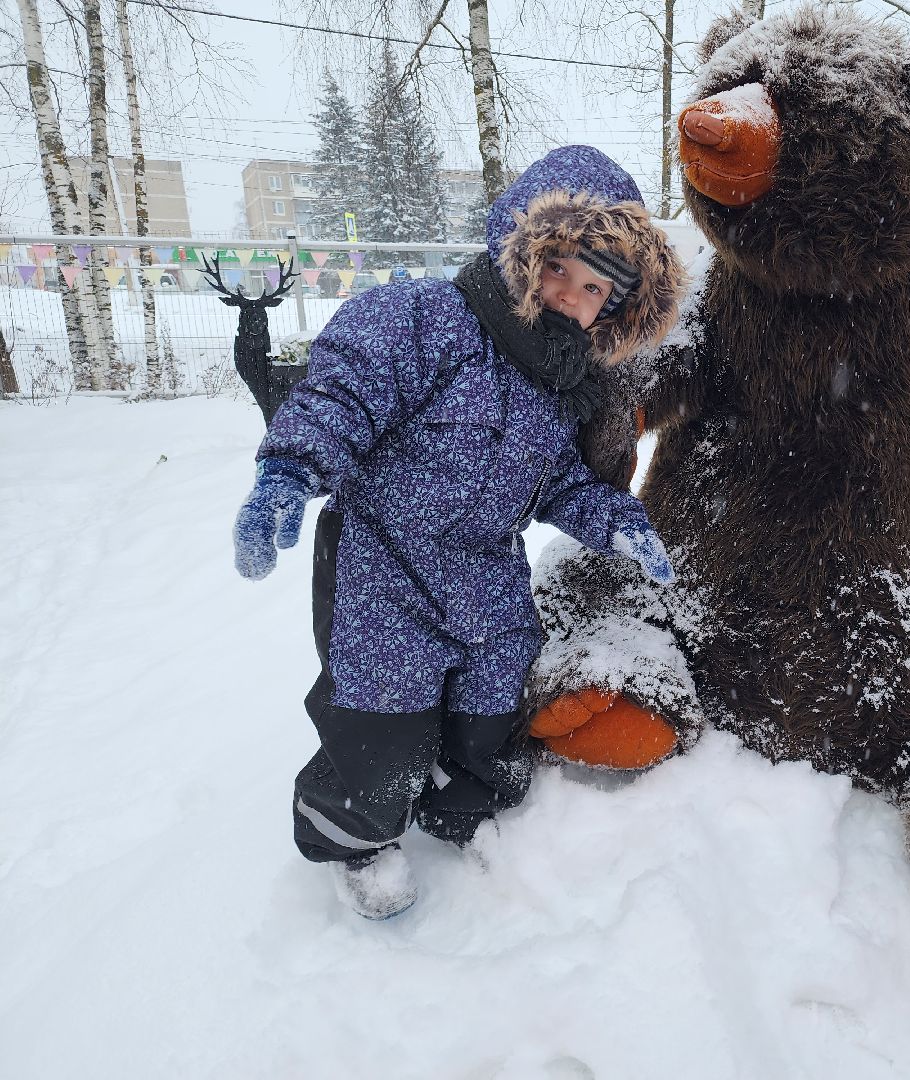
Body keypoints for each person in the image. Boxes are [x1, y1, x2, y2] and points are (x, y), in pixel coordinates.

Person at [231, 145, 686, 920]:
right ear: (522, 250)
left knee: (494, 726)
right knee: (382, 731)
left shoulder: (563, 385)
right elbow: (342, 391)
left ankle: (456, 808)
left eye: (593, 290)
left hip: (488, 574)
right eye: (559, 270)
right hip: (385, 565)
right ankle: (353, 835)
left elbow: (556, 482)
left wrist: (612, 520)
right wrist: (288, 473)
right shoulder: (426, 318)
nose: (569, 298)